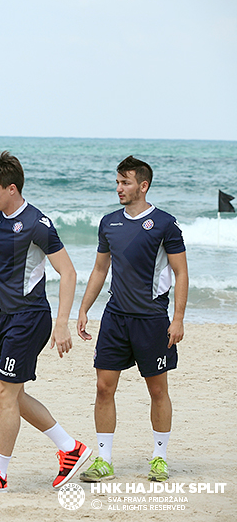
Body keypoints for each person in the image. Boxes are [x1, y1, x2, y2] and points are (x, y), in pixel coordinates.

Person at [0, 151, 90, 494]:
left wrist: (62, 323)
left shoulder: (37, 223)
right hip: (7, 317)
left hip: (31, 317)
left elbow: (68, 273)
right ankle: (70, 448)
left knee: (3, 393)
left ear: (12, 189)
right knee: (11, 395)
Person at [76, 156, 188, 483]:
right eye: (117, 182)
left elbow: (181, 274)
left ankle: (159, 458)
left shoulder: (165, 224)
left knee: (157, 390)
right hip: (115, 317)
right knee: (103, 387)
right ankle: (104, 460)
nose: (119, 188)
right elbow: (100, 270)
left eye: (125, 182)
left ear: (143, 185)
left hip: (152, 319)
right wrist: (84, 308)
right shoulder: (109, 222)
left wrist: (177, 319)